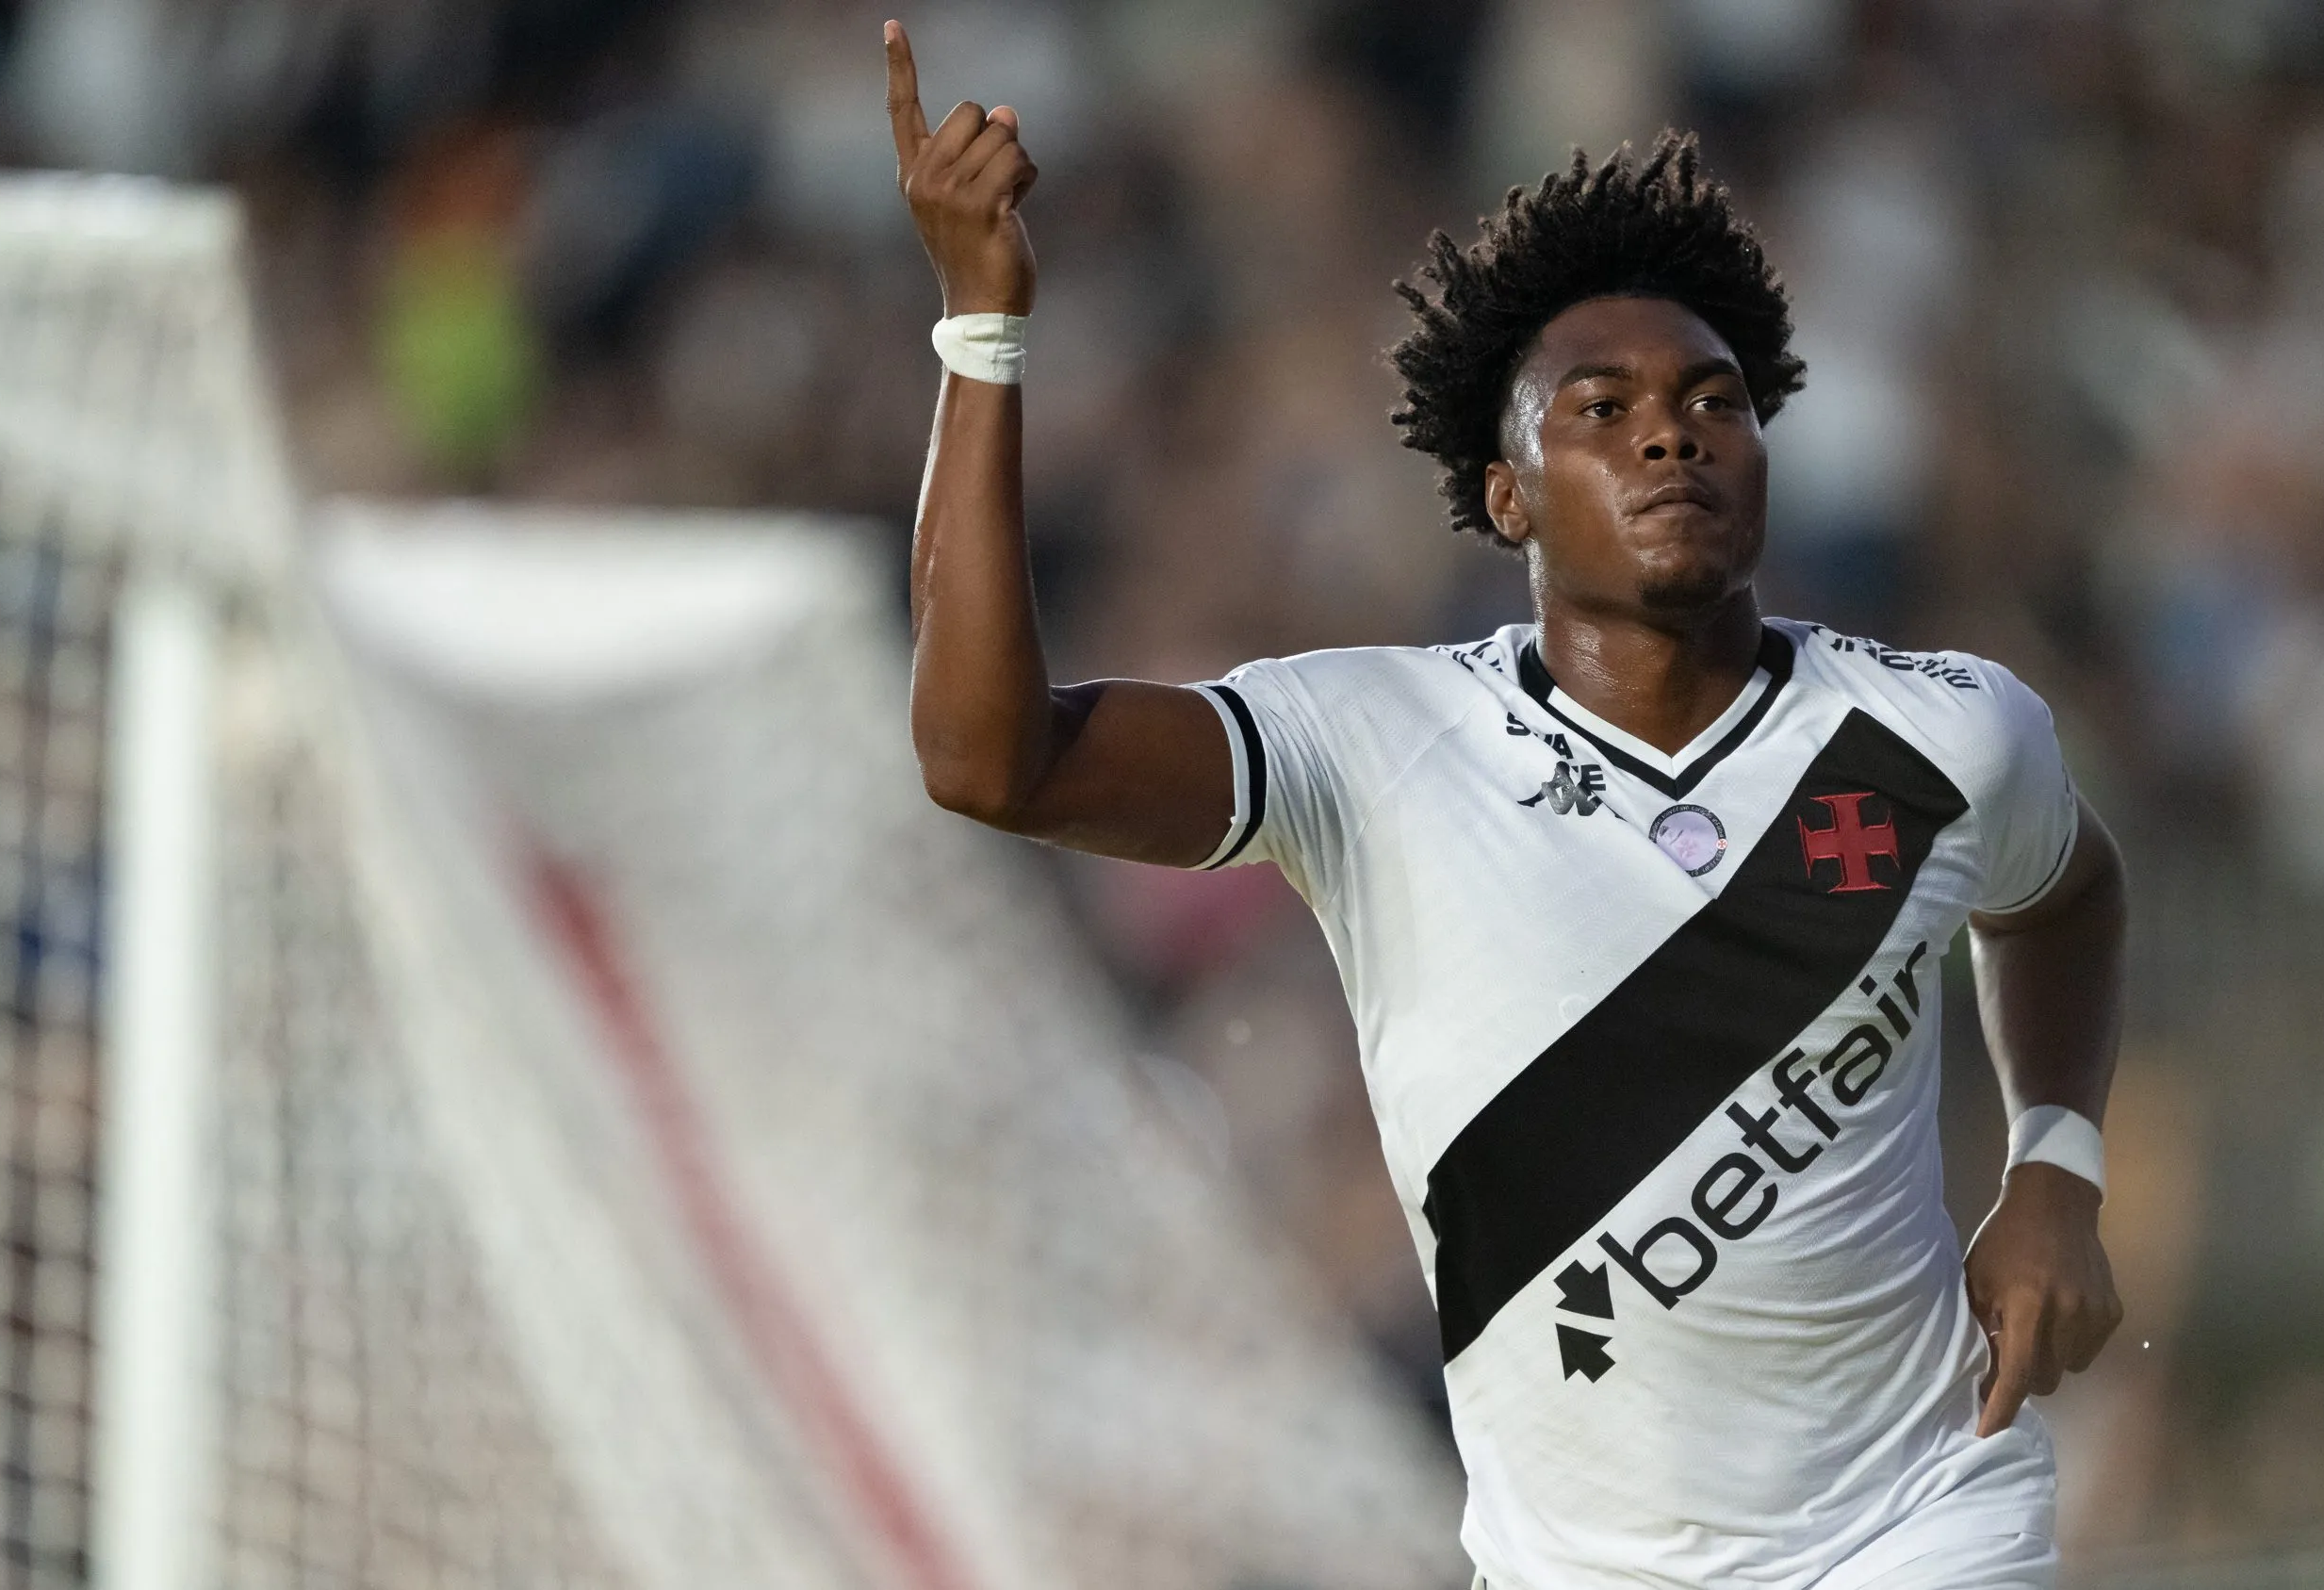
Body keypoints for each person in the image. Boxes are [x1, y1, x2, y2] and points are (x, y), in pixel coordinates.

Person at [883, 20, 2126, 1589]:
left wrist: (2054, 1167)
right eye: (1598, 408)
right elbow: (988, 761)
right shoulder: (1372, 739)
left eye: (1715, 400)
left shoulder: (1940, 728)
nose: (1670, 428)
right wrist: (981, 332)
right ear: (1506, 492)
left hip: (1922, 1517)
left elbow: (2067, 887)